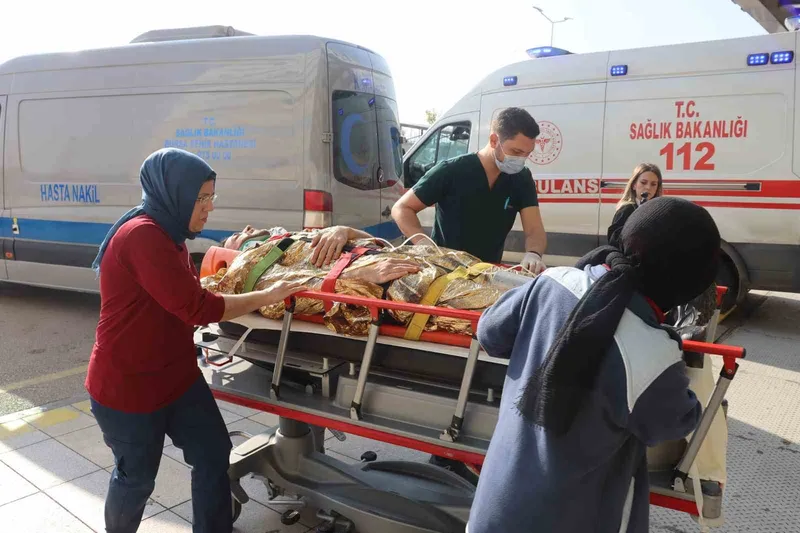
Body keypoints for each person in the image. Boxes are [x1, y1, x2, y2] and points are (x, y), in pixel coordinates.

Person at [467, 197, 721, 533]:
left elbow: (490, 332)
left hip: (492, 512)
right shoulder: (653, 354)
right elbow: (676, 422)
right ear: (685, 285)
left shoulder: (552, 282)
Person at [85, 148, 307, 533]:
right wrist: (267, 296)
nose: (209, 207)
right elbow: (196, 307)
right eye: (201, 198)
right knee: (136, 480)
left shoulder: (170, 232)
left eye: (211, 196)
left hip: (176, 377)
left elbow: (184, 292)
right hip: (129, 387)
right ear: (175, 194)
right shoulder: (142, 235)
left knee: (213, 454)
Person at [391, 107, 548, 274]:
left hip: (488, 273)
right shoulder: (452, 171)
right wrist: (424, 244)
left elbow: (534, 229)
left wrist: (533, 254)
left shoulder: (521, 178)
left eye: (527, 154)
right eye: (516, 152)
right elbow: (401, 208)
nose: (521, 159)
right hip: (445, 273)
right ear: (494, 140)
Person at [607, 163, 663, 248]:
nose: (648, 187)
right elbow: (614, 240)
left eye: (653, 184)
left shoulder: (659, 209)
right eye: (643, 182)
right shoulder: (627, 209)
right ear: (634, 185)